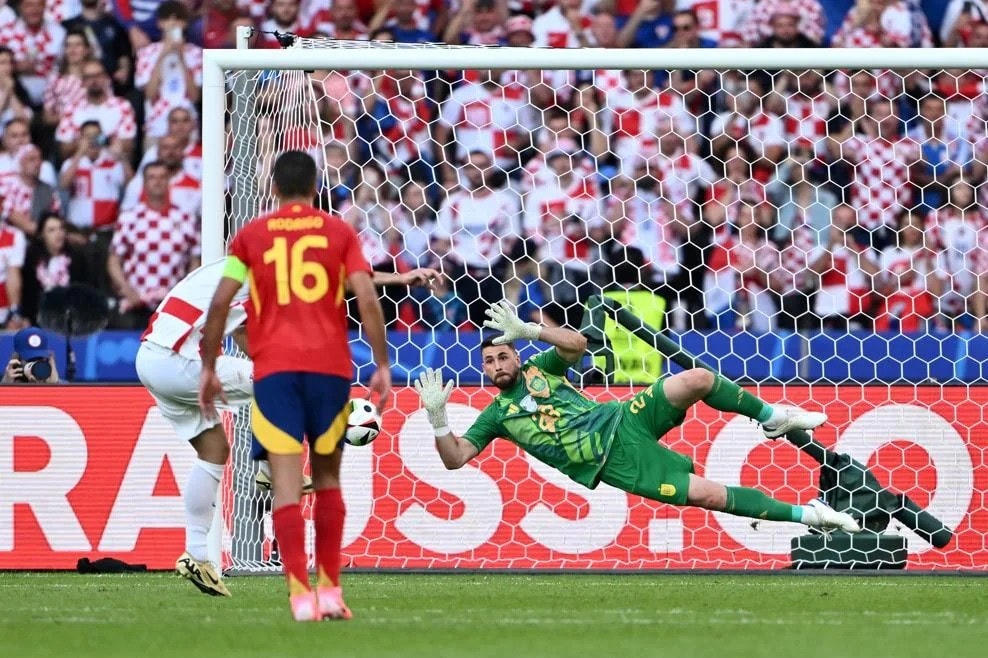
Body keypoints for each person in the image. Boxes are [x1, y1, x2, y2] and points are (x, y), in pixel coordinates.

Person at [414, 301, 861, 538]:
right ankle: (811, 517)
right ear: (484, 371)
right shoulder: (495, 416)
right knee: (707, 495)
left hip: (622, 418)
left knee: (697, 379)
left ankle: (771, 417)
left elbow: (576, 346)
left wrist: (532, 330)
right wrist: (437, 418)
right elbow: (455, 459)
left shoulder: (540, 368)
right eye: (489, 361)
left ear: (515, 354)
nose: (497, 365)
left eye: (503, 355)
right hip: (615, 463)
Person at [198, 151, 392, 622]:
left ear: (273, 187)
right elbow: (365, 295)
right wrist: (382, 362)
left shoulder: (250, 237)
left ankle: (299, 596)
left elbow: (221, 303)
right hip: (329, 369)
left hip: (276, 372)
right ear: (315, 186)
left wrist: (208, 367)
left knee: (286, 487)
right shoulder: (339, 231)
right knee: (327, 480)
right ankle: (330, 590)